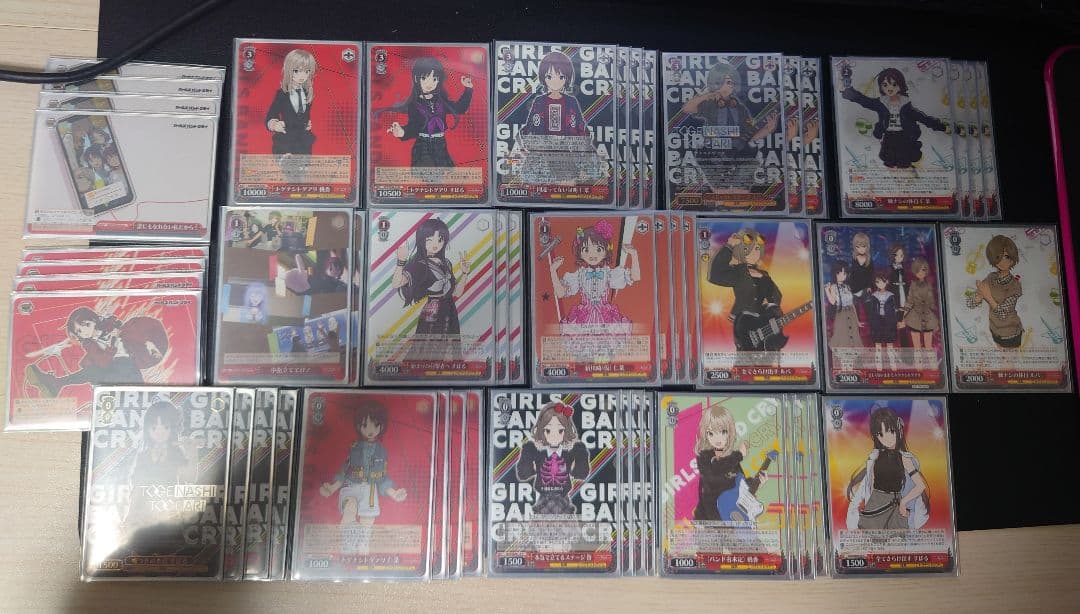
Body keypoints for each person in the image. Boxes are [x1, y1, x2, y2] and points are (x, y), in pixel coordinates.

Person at [320, 401, 407, 554]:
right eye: (365, 425)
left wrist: (394, 493)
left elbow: (382, 476)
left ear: (381, 426)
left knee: (367, 520)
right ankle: (347, 545)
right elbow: (345, 469)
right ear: (359, 426)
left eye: (375, 425)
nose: (370, 430)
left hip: (370, 490)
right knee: (349, 509)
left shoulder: (381, 451)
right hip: (352, 485)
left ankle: (363, 546)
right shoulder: (354, 448)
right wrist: (332, 488)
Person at [24, 308, 168, 398]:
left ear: (94, 320)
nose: (84, 332)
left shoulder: (112, 326)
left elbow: (134, 332)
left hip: (128, 367)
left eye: (86, 325)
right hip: (114, 368)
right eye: (79, 331)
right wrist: (111, 349)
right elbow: (102, 361)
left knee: (107, 375)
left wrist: (149, 344)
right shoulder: (89, 344)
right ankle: (55, 383)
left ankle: (56, 383)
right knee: (95, 371)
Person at [840, 66, 949, 168]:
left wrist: (943, 127)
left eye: (894, 84)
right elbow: (865, 101)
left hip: (904, 137)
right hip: (889, 137)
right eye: (885, 85)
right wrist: (849, 91)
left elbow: (924, 119)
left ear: (900, 85)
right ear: (881, 87)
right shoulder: (881, 103)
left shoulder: (906, 106)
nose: (889, 88)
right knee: (890, 161)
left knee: (904, 162)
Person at [393, 218, 470, 361]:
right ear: (421, 240)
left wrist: (465, 273)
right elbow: (397, 283)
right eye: (429, 240)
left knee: (450, 349)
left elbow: (457, 293)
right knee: (429, 350)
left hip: (450, 309)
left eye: (440, 240)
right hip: (433, 311)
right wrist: (400, 262)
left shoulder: (446, 263)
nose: (435, 244)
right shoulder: (419, 265)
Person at [846, 406, 929, 530]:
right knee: (872, 534)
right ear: (876, 436)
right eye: (881, 434)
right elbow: (869, 485)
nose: (887, 438)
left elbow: (920, 486)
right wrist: (858, 506)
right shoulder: (875, 457)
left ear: (898, 429)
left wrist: (904, 501)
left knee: (895, 535)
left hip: (894, 504)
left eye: (890, 431)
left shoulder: (904, 458)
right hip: (876, 504)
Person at [382, 56, 473, 168]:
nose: (429, 83)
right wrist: (402, 132)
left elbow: (460, 108)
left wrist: (468, 89)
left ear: (438, 80)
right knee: (427, 173)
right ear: (416, 79)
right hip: (423, 146)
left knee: (445, 173)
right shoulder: (414, 105)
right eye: (424, 78)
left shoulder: (441, 101)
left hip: (440, 145)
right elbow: (413, 128)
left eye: (434, 79)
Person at [692, 401, 767, 523]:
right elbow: (714, 475)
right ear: (705, 434)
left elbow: (740, 485)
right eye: (711, 433)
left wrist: (757, 482)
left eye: (723, 432)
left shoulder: (732, 458)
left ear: (729, 433)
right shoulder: (704, 456)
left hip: (730, 516)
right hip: (710, 518)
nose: (718, 438)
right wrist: (738, 455)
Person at [707, 229, 782, 351]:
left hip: (763, 323)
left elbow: (777, 295)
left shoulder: (764, 274)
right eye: (748, 249)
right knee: (745, 352)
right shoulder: (738, 272)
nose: (754, 252)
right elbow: (715, 275)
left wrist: (770, 306)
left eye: (757, 248)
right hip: (743, 323)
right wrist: (729, 246)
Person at [514, 401, 590, 515]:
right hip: (541, 504)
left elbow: (582, 474)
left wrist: (578, 450)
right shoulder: (534, 450)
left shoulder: (573, 450)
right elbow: (523, 474)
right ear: (541, 430)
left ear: (567, 430)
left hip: (565, 503)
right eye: (548, 430)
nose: (554, 436)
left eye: (560, 430)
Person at [966, 234, 1022, 348]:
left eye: (1006, 257)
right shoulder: (991, 277)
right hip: (994, 329)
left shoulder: (1014, 285)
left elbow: (1003, 314)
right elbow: (970, 303)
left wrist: (987, 296)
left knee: (1009, 359)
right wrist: (978, 298)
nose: (1002, 261)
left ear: (1012, 258)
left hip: (1010, 332)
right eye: (998, 257)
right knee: (1001, 355)